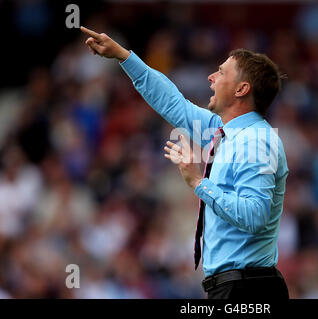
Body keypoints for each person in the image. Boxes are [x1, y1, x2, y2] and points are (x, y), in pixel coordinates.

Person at [80, 26, 289, 299]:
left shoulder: (257, 141)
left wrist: (198, 183)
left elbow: (254, 216)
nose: (211, 78)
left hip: (248, 290)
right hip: (235, 286)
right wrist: (123, 56)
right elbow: (173, 103)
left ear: (242, 88)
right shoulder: (224, 131)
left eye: (222, 72)